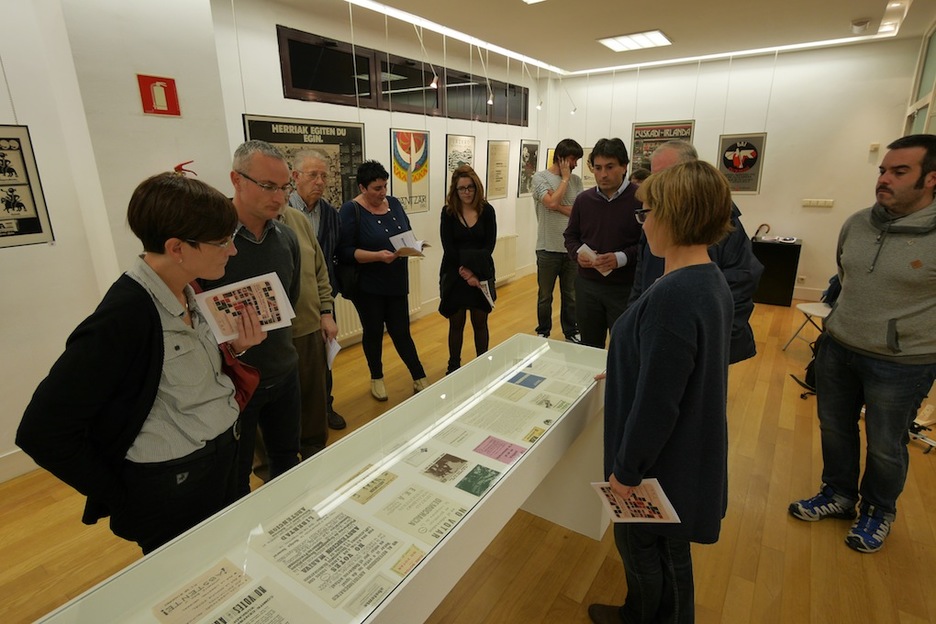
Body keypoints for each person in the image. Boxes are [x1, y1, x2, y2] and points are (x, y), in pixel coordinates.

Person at [15, 172, 265, 554]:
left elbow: (179, 378)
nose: (232, 250)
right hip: (175, 486)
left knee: (233, 558)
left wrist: (237, 350)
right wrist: (123, 495)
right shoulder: (124, 316)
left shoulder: (188, 289)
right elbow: (42, 432)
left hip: (223, 461)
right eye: (222, 241)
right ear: (177, 247)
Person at [589, 161, 734, 624]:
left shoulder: (677, 293)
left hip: (660, 465)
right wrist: (631, 368)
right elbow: (678, 367)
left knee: (647, 549)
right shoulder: (706, 279)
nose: (643, 221)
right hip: (682, 456)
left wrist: (626, 471)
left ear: (673, 215)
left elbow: (659, 404)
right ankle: (642, 612)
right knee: (666, 554)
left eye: (646, 212)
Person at [788, 134, 936, 554]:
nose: (884, 179)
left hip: (903, 363)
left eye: (899, 171)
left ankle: (877, 511)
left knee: (887, 445)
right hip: (839, 346)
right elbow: (844, 277)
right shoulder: (856, 223)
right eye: (883, 170)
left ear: (931, 179)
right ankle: (838, 495)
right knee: (835, 428)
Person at [201, 140, 302, 498]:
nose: (278, 197)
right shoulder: (208, 242)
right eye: (268, 186)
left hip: (283, 370)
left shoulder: (286, 238)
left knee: (288, 460)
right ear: (236, 180)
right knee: (236, 475)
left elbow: (287, 300)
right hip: (233, 381)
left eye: (285, 187)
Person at [629, 140, 763, 364]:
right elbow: (642, 275)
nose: (658, 184)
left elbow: (740, 281)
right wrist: (635, 318)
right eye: (654, 176)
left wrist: (709, 339)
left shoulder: (718, 219)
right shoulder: (654, 217)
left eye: (666, 174)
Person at [337, 160, 428, 401]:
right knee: (374, 331)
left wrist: (414, 246)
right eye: (376, 188)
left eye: (384, 186)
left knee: (401, 331)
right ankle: (376, 378)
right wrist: (377, 256)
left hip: (396, 279)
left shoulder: (395, 204)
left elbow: (406, 232)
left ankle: (419, 376)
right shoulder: (350, 210)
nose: (382, 193)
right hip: (368, 285)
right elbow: (344, 251)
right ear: (362, 187)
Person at [563, 137, 642, 349]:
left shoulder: (641, 198)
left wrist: (621, 258)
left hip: (625, 288)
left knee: (623, 347)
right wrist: (577, 254)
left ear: (624, 167)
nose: (603, 174)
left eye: (610, 167)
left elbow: (649, 244)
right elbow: (570, 236)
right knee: (589, 347)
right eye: (597, 168)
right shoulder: (584, 200)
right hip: (587, 286)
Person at [288, 149, 345, 430]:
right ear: (295, 177)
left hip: (323, 299)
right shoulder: (282, 215)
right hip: (291, 305)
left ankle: (326, 407)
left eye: (324, 175)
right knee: (295, 366)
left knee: (325, 359)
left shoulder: (331, 214)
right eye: (313, 175)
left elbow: (332, 257)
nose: (320, 182)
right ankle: (297, 417)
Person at [439, 165, 497, 374]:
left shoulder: (487, 210)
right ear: (455, 191)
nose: (466, 192)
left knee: (480, 320)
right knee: (456, 322)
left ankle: (483, 364)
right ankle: (453, 366)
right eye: (461, 188)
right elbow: (449, 247)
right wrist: (465, 272)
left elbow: (489, 245)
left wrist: (475, 274)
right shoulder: (448, 213)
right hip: (455, 273)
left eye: (470, 187)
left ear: (476, 187)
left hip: (481, 272)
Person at [531, 139, 584, 343]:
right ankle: (543, 331)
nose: (576, 164)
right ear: (561, 158)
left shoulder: (577, 181)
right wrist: (564, 180)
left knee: (570, 295)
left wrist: (557, 206)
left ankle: (570, 331)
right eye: (573, 159)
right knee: (545, 296)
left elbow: (579, 212)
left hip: (571, 249)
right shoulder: (540, 178)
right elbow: (551, 201)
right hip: (547, 247)